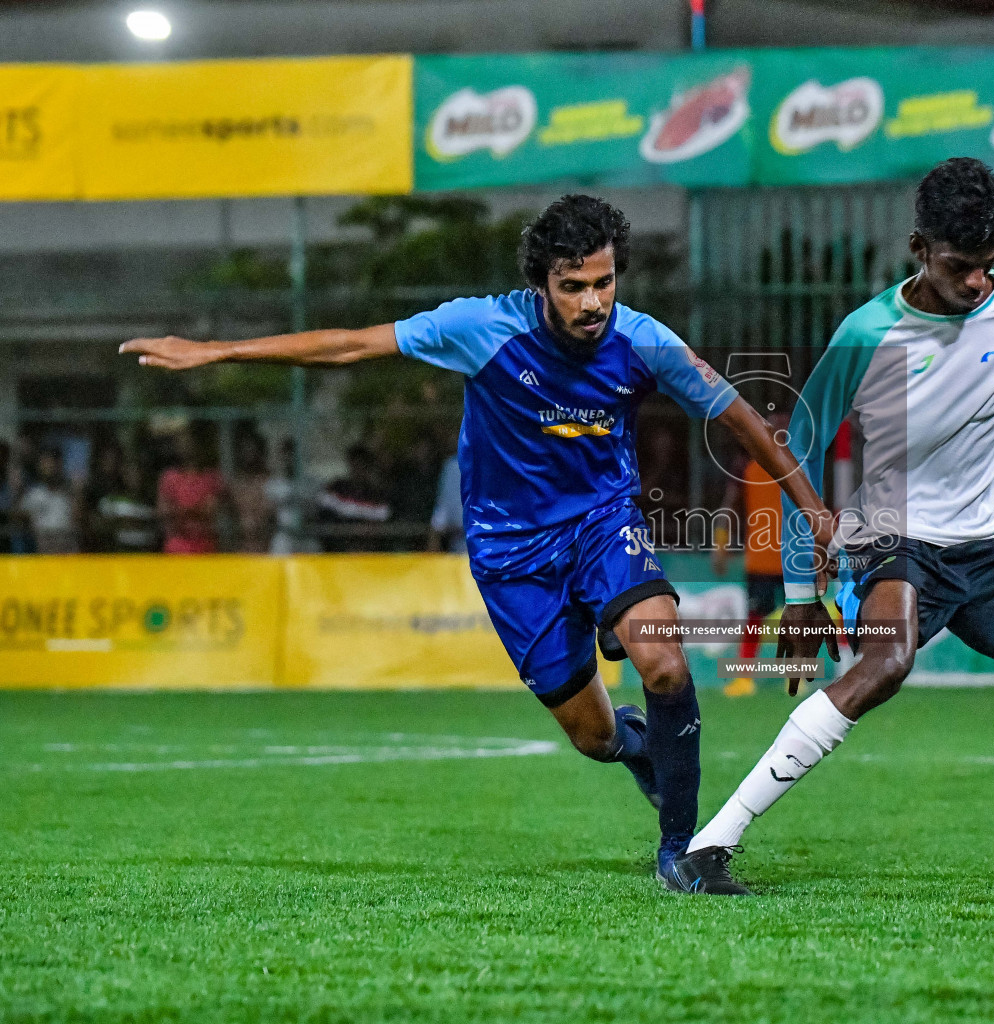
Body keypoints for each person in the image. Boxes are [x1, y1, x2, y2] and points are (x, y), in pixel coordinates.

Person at [121, 193, 834, 893]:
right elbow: (353, 345)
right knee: (593, 737)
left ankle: (684, 852)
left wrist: (811, 509)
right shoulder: (480, 327)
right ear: (541, 285)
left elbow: (738, 414)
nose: (593, 302)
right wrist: (218, 351)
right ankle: (638, 747)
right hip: (511, 555)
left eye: (605, 282)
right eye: (573, 286)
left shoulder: (642, 340)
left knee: (667, 665)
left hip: (601, 524)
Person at [672, 159, 994, 894]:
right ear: (919, 247)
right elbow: (797, 446)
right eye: (959, 266)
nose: (976, 282)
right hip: (890, 537)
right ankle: (710, 846)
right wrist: (802, 591)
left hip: (984, 547)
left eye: (988, 266)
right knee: (888, 665)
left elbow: (992, 418)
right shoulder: (866, 334)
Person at [712, 410, 793, 695]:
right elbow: (729, 505)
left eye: (784, 426)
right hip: (759, 557)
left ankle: (794, 677)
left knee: (797, 617)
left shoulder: (797, 465)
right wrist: (720, 543)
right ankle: (744, 678)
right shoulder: (746, 465)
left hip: (793, 558)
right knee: (754, 618)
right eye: (775, 425)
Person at [157, 427, 225, 554]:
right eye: (182, 443)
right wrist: (195, 509)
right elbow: (164, 512)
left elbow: (210, 510)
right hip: (176, 548)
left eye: (190, 442)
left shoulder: (211, 477)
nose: (187, 447)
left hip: (205, 547)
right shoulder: (169, 477)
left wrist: (180, 510)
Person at [316, 443, 392, 552]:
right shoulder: (337, 488)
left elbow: (383, 519)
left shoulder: (376, 494)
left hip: (369, 551)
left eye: (362, 465)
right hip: (339, 550)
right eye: (355, 464)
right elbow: (325, 516)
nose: (358, 469)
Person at [20, 447, 79, 554]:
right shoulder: (33, 495)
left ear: (60, 465)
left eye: (52, 464)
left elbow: (78, 520)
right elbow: (20, 521)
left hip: (67, 552)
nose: (49, 468)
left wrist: (78, 493)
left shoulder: (70, 494)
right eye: (45, 464)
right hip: (43, 552)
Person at [228, 433, 276, 553]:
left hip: (264, 543)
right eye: (245, 451)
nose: (248, 455)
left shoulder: (269, 481)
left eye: (252, 450)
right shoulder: (236, 483)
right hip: (241, 543)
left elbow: (269, 512)